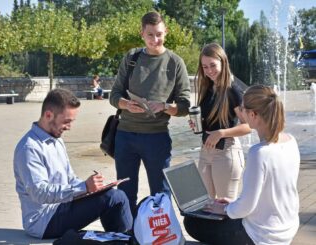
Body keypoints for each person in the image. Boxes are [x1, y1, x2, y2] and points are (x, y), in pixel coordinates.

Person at [184, 85, 300, 245]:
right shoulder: (291, 141)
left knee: (192, 223)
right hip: (287, 227)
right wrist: (232, 204)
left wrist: (225, 209)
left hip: (262, 235)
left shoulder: (260, 153)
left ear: (253, 115)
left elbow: (246, 207)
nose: (240, 113)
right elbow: (264, 196)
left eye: (243, 109)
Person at [13, 88, 132, 239]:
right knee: (115, 198)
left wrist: (92, 188)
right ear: (48, 115)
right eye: (66, 121)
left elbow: (69, 179)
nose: (69, 127)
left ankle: (121, 240)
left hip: (61, 207)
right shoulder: (29, 148)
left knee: (113, 195)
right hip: (43, 221)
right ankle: (126, 241)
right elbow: (39, 193)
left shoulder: (57, 141)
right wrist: (83, 187)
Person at [109, 11, 191, 215]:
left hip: (157, 138)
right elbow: (114, 95)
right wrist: (126, 104)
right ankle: (129, 234)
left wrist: (164, 106)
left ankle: (162, 235)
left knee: (161, 194)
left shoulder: (175, 62)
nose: (156, 39)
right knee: (125, 194)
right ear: (142, 34)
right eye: (150, 35)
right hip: (125, 136)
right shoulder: (131, 58)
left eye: (160, 34)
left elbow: (185, 105)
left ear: (166, 32)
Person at [190, 43, 251, 200]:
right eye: (205, 67)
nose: (209, 71)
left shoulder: (233, 91)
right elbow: (211, 122)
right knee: (205, 204)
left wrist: (221, 133)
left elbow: (248, 126)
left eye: (213, 65)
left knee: (226, 209)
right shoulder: (207, 89)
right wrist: (197, 125)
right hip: (205, 152)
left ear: (223, 63)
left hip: (226, 153)